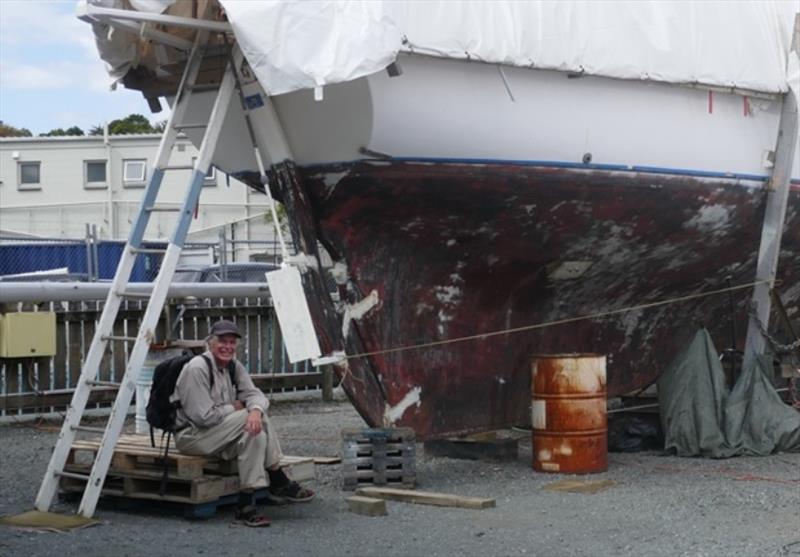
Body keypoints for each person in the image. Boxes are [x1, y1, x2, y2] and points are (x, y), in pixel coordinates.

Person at [172, 319, 314, 527]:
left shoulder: (233, 367)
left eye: (232, 343)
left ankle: (245, 505)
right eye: (222, 341)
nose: (227, 347)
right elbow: (203, 417)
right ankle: (277, 478)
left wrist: (253, 410)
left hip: (220, 434)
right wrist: (236, 408)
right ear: (210, 343)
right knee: (254, 417)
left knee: (255, 433)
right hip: (192, 437)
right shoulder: (197, 369)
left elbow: (256, 395)